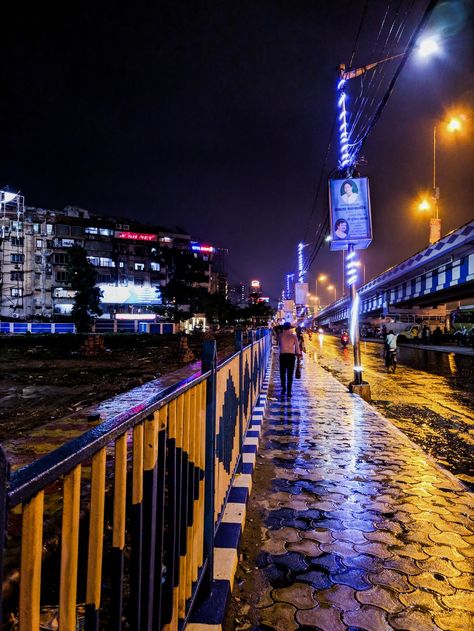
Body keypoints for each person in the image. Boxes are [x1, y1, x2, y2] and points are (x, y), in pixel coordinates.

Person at [279, 322, 301, 398]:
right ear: (290, 328)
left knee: (282, 373)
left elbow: (279, 344)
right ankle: (289, 392)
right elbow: (297, 348)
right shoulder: (294, 336)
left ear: (283, 328)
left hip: (282, 356)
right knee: (290, 374)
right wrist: (298, 356)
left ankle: (283, 389)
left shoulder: (280, 335)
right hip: (291, 356)